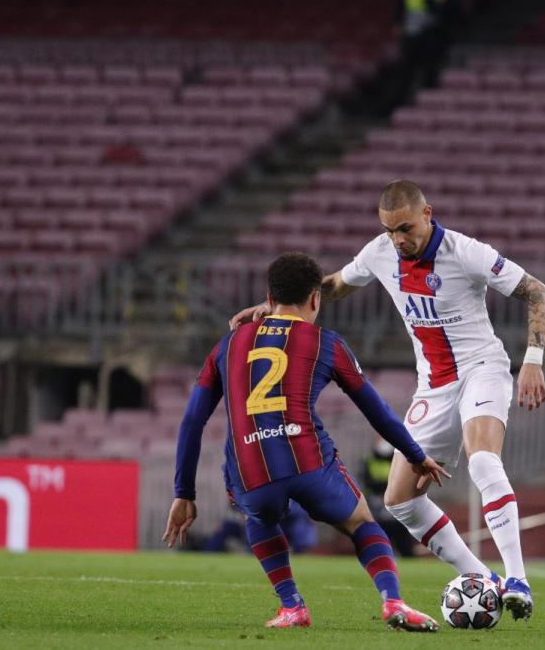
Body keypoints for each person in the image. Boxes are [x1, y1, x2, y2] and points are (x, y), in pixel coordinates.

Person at [230, 180, 545, 620]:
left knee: (482, 461)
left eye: (405, 228)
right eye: (389, 230)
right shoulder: (380, 252)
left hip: (482, 367)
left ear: (427, 214)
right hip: (433, 386)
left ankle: (518, 579)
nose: (399, 239)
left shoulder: (465, 252)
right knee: (400, 500)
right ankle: (487, 580)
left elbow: (538, 292)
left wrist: (532, 360)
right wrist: (278, 308)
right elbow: (335, 286)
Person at [165, 252, 447, 631]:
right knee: (362, 522)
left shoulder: (227, 345)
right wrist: (416, 455)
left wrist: (184, 492)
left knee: (259, 517)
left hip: (251, 468)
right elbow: (375, 410)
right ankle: (393, 601)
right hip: (308, 459)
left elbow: (191, 421)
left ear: (268, 297)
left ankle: (292, 606)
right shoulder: (326, 342)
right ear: (316, 298)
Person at [360, 438, 416, 556]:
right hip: (377, 504)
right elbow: (366, 481)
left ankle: (408, 557)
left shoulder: (399, 461)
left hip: (396, 504)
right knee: (380, 537)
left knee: (402, 538)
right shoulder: (370, 462)